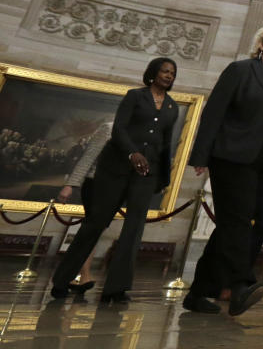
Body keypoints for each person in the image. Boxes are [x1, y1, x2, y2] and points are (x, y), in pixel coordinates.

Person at [182, 24, 263, 316]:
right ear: (261, 43)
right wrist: (202, 154)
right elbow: (214, 111)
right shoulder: (241, 70)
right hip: (236, 155)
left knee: (260, 219)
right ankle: (241, 284)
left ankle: (199, 291)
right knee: (236, 221)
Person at [50, 58, 179, 303]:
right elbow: (119, 129)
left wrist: (163, 178)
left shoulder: (172, 107)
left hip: (145, 175)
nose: (169, 76)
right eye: (165, 71)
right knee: (94, 224)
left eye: (173, 73)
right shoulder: (134, 96)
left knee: (134, 229)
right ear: (153, 73)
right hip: (115, 169)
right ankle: (61, 280)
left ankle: (116, 288)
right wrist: (132, 152)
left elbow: (165, 144)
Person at [55, 120, 113, 293]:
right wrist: (70, 185)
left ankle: (80, 275)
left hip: (114, 187)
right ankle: (80, 274)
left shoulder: (139, 132)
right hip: (94, 182)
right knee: (92, 228)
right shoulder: (109, 127)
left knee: (96, 229)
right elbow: (89, 157)